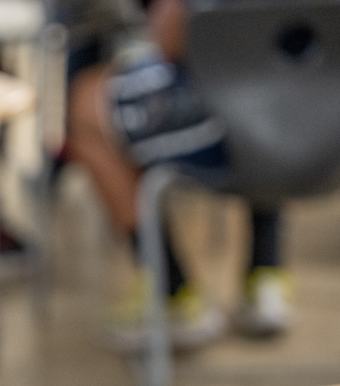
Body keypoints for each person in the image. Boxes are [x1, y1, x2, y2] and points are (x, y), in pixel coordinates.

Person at [66, 0, 292, 350]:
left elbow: (171, 41)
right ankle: (267, 275)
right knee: (270, 73)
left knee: (87, 101)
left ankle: (172, 291)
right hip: (319, 122)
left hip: (232, 118)